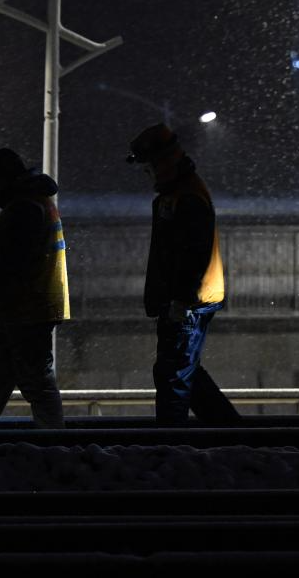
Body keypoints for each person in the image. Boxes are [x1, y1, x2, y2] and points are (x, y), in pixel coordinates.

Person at [127, 124, 240, 425]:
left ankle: (173, 441)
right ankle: (232, 433)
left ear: (164, 162)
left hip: (189, 302)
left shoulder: (186, 197)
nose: (148, 174)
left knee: (173, 376)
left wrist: (180, 299)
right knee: (183, 371)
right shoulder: (178, 193)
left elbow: (193, 254)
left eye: (150, 167)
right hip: (187, 300)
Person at [0, 148, 69, 428]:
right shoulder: (38, 203)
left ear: (4, 179)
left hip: (25, 310)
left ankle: (55, 441)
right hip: (27, 309)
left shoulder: (23, 209)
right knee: (1, 378)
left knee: (33, 380)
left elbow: (10, 266)